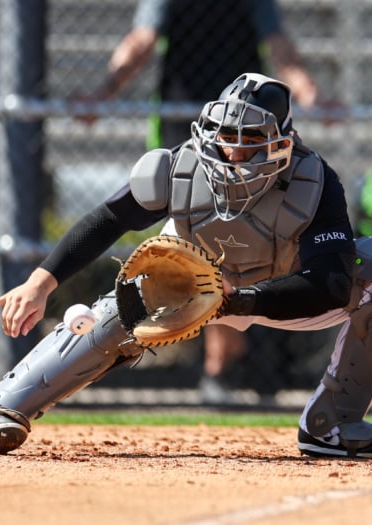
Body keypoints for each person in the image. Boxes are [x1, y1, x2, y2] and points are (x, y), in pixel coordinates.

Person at [0, 73, 372, 458]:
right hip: (189, 279)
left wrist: (235, 301)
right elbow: (107, 220)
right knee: (120, 309)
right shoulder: (178, 168)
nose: (233, 151)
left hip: (285, 285)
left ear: (282, 143)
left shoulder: (313, 181)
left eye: (249, 140)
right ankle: (0, 407)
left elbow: (330, 285)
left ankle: (332, 425)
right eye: (226, 136)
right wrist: (40, 283)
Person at [85, 0, 321, 402]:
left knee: (246, 241)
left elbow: (278, 45)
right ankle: (220, 366)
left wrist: (311, 94)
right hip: (187, 127)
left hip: (250, 136)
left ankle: (230, 365)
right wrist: (103, 91)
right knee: (205, 245)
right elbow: (142, 40)